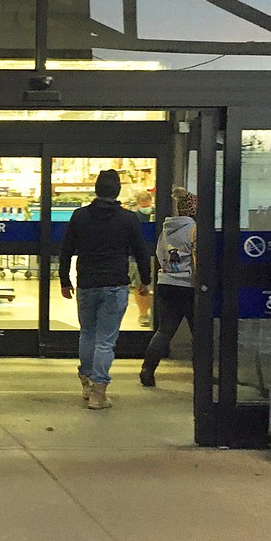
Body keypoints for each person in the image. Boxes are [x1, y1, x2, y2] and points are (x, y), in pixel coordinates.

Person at [59, 170, 152, 410]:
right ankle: (98, 393)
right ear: (117, 191)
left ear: (96, 189)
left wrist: (64, 280)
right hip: (114, 284)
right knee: (105, 341)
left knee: (87, 333)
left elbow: (66, 249)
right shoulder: (128, 219)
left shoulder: (80, 217)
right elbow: (141, 252)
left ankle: (86, 382)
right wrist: (146, 280)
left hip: (87, 283)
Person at [140, 188, 198, 387]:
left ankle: (147, 369)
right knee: (199, 332)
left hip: (166, 283)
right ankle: (202, 374)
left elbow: (159, 254)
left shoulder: (166, 230)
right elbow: (197, 258)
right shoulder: (194, 229)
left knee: (164, 331)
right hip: (188, 286)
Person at [129, 190, 156, 326]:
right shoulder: (133, 217)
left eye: (148, 205)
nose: (147, 208)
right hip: (137, 256)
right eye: (144, 206)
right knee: (140, 284)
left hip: (154, 253)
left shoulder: (157, 213)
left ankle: (153, 313)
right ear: (138, 204)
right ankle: (143, 314)